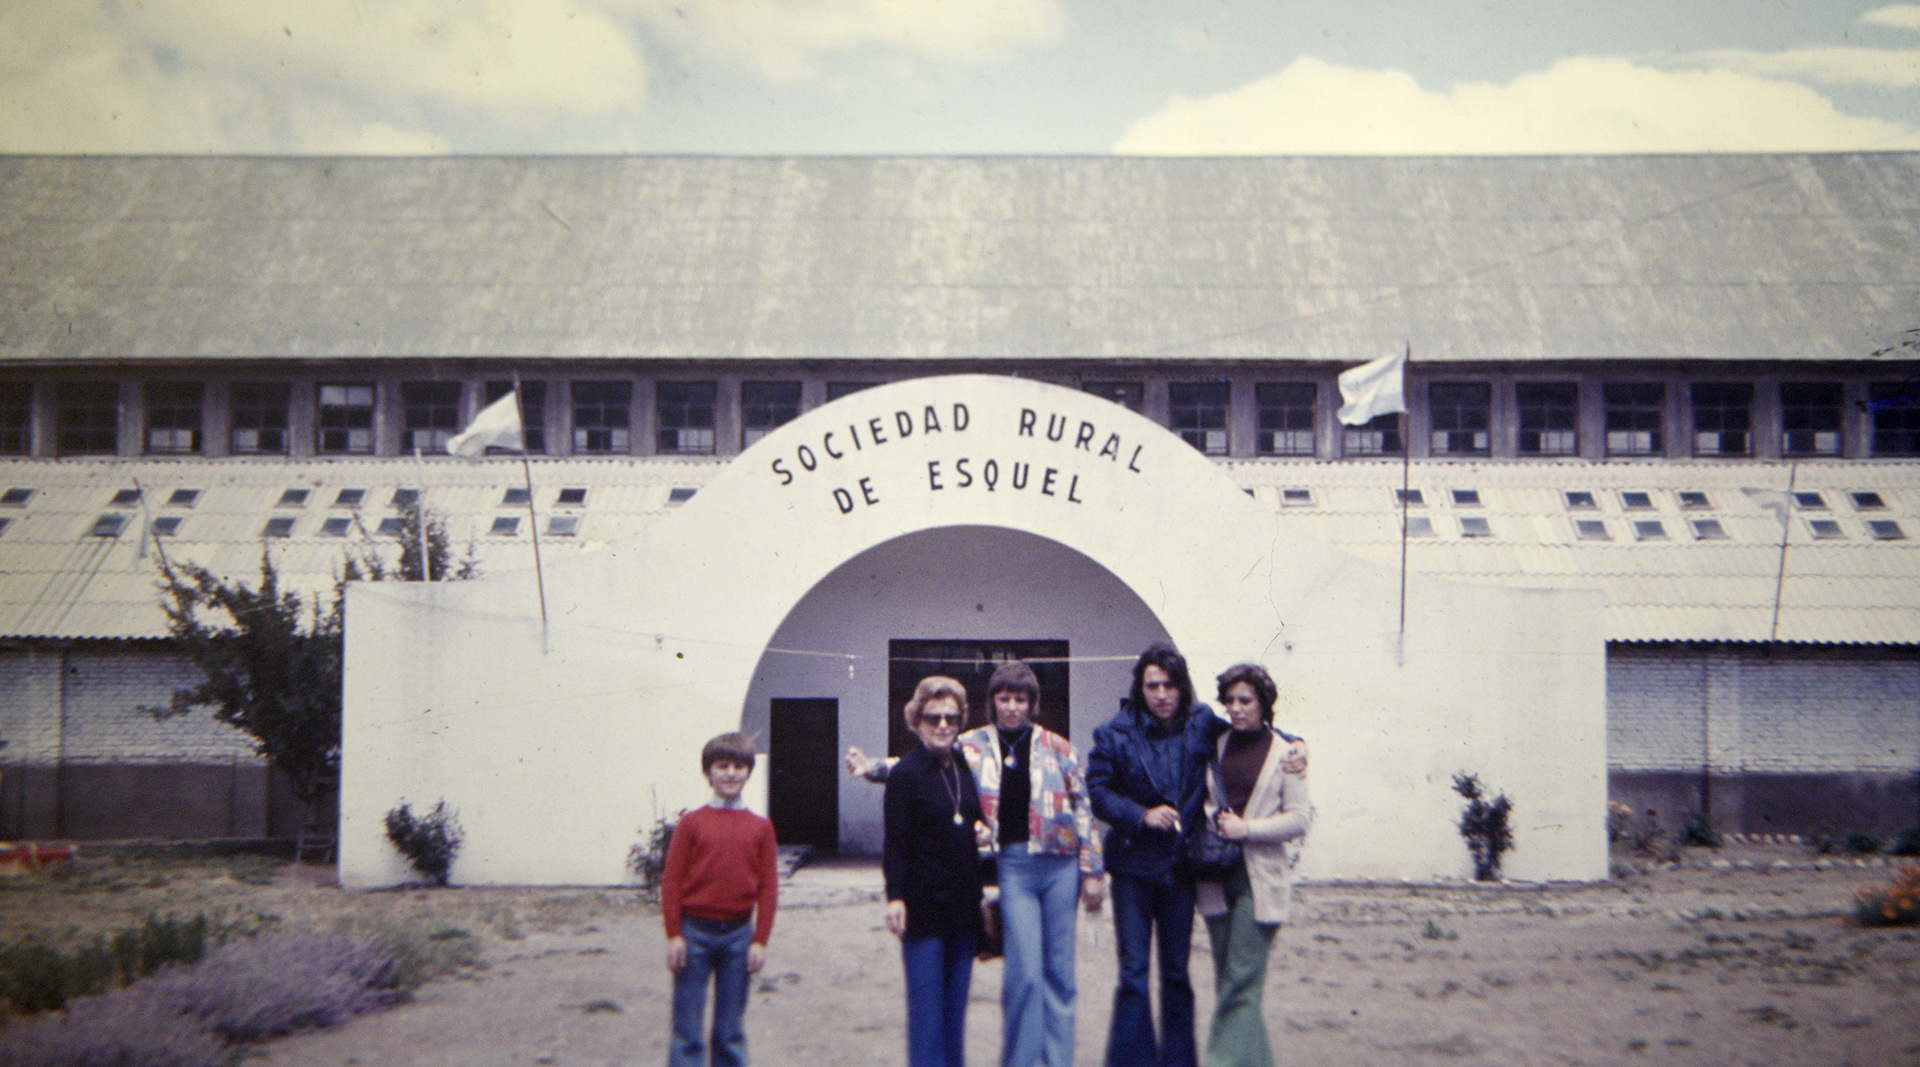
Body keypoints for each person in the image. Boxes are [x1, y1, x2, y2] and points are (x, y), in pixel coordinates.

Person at [851, 661, 1105, 1067]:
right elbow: (914, 764)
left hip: (1061, 867)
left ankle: (1056, 1061)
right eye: (1004, 698)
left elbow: (1083, 809)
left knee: (1060, 975)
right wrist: (872, 769)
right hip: (1015, 866)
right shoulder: (971, 745)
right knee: (1023, 974)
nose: (1012, 708)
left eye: (1021, 699)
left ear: (1032, 703)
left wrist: (1093, 870)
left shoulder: (1060, 747)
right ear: (992, 703)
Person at [1086, 643, 1306, 1067]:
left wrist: (1298, 742)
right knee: (1133, 973)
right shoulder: (1113, 732)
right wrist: (1140, 814)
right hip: (1133, 866)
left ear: (1182, 687)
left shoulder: (1202, 722)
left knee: (1175, 973)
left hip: (1180, 868)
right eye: (1153, 685)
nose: (1162, 694)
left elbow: (1252, 730)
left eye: (1170, 684)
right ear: (1140, 688)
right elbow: (1097, 791)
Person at [1195, 663, 1311, 1067]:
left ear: (1264, 703)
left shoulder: (1286, 755)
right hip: (1215, 877)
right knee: (1231, 983)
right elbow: (1207, 803)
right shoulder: (1217, 743)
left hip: (1260, 881)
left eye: (1245, 700)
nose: (1236, 708)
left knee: (1241, 981)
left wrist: (1248, 829)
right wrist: (1217, 821)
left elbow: (1300, 819)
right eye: (1230, 701)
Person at [885, 676, 990, 1067]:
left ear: (961, 720)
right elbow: (895, 843)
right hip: (924, 908)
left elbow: (973, 816)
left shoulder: (964, 767)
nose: (943, 725)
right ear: (917, 720)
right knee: (928, 1022)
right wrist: (895, 895)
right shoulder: (905, 775)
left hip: (963, 910)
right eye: (933, 717)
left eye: (951, 717)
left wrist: (980, 828)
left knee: (954, 1020)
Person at [660, 732, 779, 1067]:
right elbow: (671, 882)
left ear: (749, 772)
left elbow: (768, 888)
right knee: (688, 1027)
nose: (730, 773)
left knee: (729, 1028)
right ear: (708, 772)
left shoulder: (761, 827)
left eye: (739, 766)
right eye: (722, 765)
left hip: (738, 936)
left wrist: (760, 940)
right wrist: (675, 935)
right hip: (693, 932)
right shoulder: (692, 823)